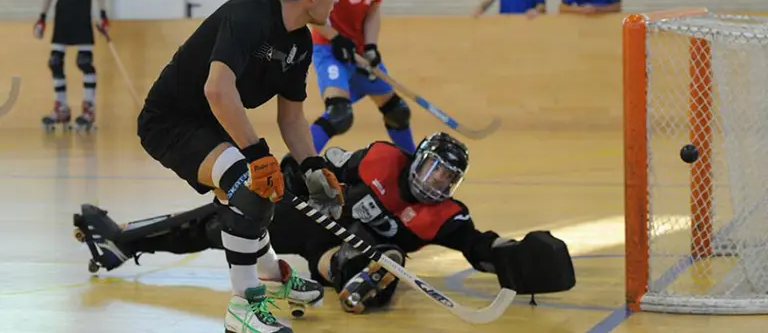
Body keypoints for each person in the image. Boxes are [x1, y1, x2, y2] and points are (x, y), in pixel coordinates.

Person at [83, 0, 345, 333]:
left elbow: (291, 116)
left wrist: (313, 166)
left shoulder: (300, 43)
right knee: (248, 185)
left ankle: (271, 274)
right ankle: (243, 308)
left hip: (213, 125)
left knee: (250, 191)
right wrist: (257, 155)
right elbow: (217, 89)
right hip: (170, 121)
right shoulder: (249, 15)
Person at [73, 132, 576, 316]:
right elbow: (324, 170)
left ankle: (362, 276)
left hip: (336, 254)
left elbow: (479, 247)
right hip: (312, 221)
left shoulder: (445, 216)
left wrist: (518, 260)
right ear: (415, 159)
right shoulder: (380, 158)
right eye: (431, 170)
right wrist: (293, 175)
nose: (436, 183)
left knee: (367, 258)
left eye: (447, 178)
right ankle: (125, 242)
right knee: (219, 223)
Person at [308, 0, 417, 155]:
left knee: (398, 112)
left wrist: (370, 46)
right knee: (339, 114)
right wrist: (336, 38)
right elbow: (312, 11)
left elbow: (373, 10)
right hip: (328, 47)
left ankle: (411, 169)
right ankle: (295, 167)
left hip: (357, 50)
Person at [36, 0, 110, 131]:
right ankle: (61, 108)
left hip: (82, 18)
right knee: (55, 62)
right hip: (62, 17)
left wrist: (103, 13)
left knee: (85, 62)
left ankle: (88, 109)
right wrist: (41, 17)